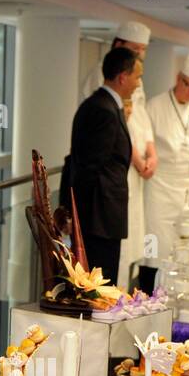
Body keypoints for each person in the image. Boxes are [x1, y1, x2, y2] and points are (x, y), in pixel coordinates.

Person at [79, 21, 156, 289]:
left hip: (123, 181)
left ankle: (120, 297)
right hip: (105, 196)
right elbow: (94, 156)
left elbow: (141, 120)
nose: (141, 55)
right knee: (105, 265)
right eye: (136, 49)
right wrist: (135, 158)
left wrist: (150, 153)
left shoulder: (133, 80)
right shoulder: (100, 92)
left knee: (124, 251)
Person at [68, 47, 138, 285]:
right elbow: (89, 166)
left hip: (103, 214)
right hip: (99, 217)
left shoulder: (102, 104)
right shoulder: (103, 110)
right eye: (137, 77)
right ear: (123, 77)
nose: (138, 84)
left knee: (100, 282)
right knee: (99, 284)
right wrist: (77, 214)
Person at [145, 41, 189, 261]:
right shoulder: (154, 106)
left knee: (187, 247)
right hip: (159, 186)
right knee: (155, 245)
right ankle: (148, 290)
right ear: (178, 78)